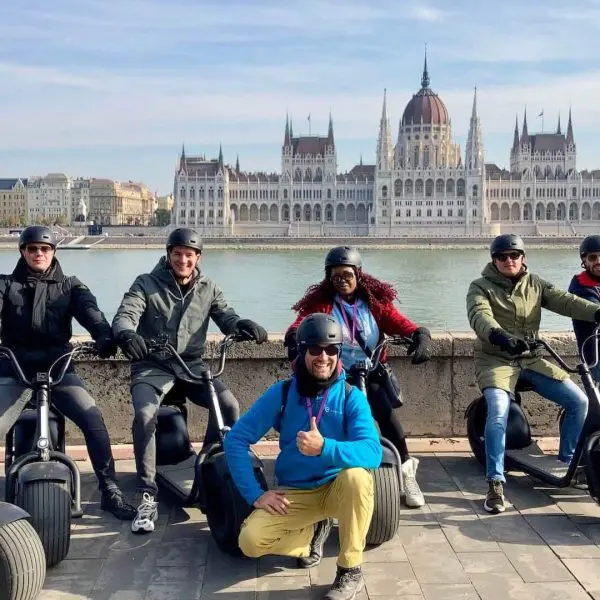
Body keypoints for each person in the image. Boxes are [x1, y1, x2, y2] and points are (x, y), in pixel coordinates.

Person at [113, 227, 268, 534]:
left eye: (189, 255)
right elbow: (126, 314)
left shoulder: (209, 287)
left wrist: (241, 325)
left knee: (228, 404)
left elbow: (226, 316)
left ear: (198, 257)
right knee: (145, 416)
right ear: (169, 255)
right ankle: (147, 494)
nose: (183, 260)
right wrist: (126, 333)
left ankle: (208, 461)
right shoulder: (145, 283)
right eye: (177, 254)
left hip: (191, 366)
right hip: (152, 366)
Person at [225, 313, 381, 600]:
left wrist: (325, 448)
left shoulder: (350, 396)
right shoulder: (283, 392)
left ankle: (350, 570)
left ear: (339, 353)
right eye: (315, 350)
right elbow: (235, 439)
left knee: (358, 476)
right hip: (295, 491)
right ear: (302, 351)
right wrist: (256, 495)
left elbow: (373, 452)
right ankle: (311, 535)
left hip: (337, 487)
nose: (324, 357)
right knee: (249, 542)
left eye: (331, 350)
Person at [0, 226, 135, 520]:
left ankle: (109, 489)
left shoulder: (71, 286)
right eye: (32, 248)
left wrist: (104, 336)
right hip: (14, 368)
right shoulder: (5, 285)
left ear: (53, 252)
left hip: (57, 369)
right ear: (22, 251)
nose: (39, 254)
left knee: (92, 418)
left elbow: (92, 313)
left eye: (45, 249)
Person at [284, 246, 431, 507]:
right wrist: (294, 337)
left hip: (370, 371)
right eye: (335, 275)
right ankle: (327, 475)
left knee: (387, 418)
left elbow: (396, 321)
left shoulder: (373, 302)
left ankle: (407, 472)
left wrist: (419, 334)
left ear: (358, 275)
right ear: (328, 278)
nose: (341, 280)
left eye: (347, 274)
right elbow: (303, 322)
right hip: (336, 376)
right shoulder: (323, 304)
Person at [466, 233, 600, 514]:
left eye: (514, 255)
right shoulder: (480, 287)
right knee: (499, 411)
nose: (509, 260)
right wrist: (500, 336)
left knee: (580, 401)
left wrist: (597, 313)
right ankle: (494, 483)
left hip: (531, 358)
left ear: (523, 258)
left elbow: (566, 302)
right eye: (502, 256)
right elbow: (480, 316)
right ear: (494, 260)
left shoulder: (535, 284)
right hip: (496, 359)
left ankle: (567, 463)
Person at [569, 235, 600, 381]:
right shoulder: (580, 285)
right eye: (593, 258)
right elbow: (592, 308)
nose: (598, 262)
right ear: (585, 261)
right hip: (595, 354)